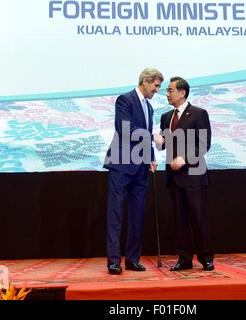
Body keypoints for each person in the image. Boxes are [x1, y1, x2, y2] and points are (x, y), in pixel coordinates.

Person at [104, 68, 164, 274]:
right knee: (116, 213)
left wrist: (152, 158)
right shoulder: (125, 100)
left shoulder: (149, 107)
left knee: (137, 214)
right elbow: (125, 130)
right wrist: (152, 136)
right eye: (156, 85)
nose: (157, 90)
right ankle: (113, 261)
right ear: (145, 82)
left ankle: (132, 259)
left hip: (140, 167)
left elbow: (145, 140)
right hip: (121, 164)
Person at [155, 76, 214, 271]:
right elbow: (163, 145)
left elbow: (204, 144)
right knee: (180, 221)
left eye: (170, 90)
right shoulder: (165, 117)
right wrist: (156, 140)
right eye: (167, 90)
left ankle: (206, 257)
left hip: (194, 175)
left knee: (199, 218)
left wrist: (185, 159)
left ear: (182, 92)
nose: (167, 94)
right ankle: (184, 258)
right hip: (173, 178)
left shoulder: (198, 114)